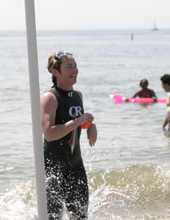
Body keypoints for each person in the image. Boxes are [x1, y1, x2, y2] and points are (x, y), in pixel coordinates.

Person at [41, 50, 98, 219]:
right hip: (53, 168)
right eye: (69, 66)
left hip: (75, 166)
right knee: (53, 217)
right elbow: (49, 134)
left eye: (75, 65)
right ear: (55, 72)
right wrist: (78, 122)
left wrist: (90, 126)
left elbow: (75, 121)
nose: (75, 70)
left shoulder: (78, 95)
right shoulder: (49, 98)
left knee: (80, 216)